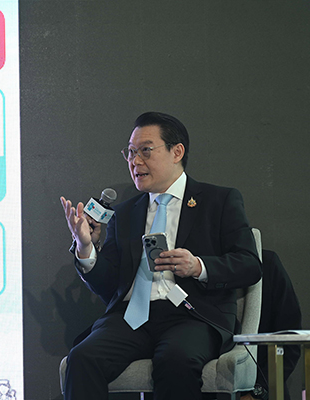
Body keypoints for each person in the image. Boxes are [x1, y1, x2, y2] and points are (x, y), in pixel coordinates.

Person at [60, 111, 262, 400]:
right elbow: (109, 285)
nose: (135, 161)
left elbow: (250, 265)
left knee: (175, 361)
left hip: (192, 316)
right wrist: (85, 247)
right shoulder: (125, 213)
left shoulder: (218, 201)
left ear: (176, 152)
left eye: (145, 151)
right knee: (82, 358)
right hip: (130, 319)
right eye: (130, 152)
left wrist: (198, 266)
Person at [241, 250, 302, 400]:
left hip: (262, 387)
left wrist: (259, 391)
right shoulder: (192, 268)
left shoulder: (267, 263)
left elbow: (289, 337)